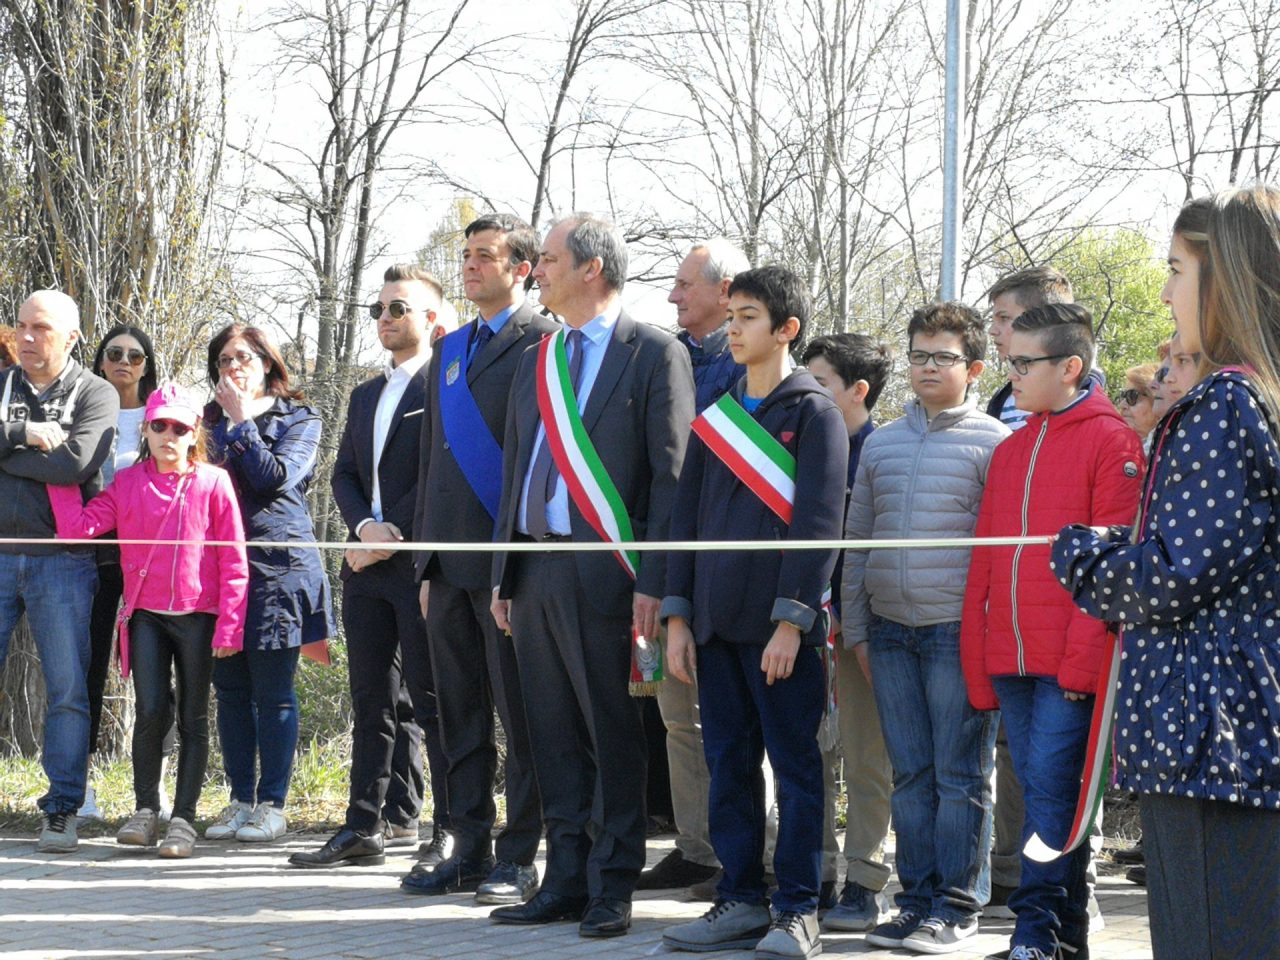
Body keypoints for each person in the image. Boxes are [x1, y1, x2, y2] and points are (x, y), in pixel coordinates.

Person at [1053, 186, 1280, 960]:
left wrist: (1081, 553)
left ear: (1225, 279)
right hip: (1238, 738)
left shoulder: (1223, 404)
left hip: (1213, 743)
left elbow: (1173, 577)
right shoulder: (1259, 399)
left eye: (1176, 270)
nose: (1163, 291)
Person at [488, 213, 695, 937]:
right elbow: (518, 470)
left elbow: (668, 480)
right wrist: (503, 575)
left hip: (611, 573)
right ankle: (564, 876)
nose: (535, 271)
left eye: (545, 259)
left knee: (613, 734)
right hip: (537, 570)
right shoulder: (536, 358)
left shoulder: (654, 354)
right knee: (549, 733)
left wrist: (654, 581)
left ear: (591, 270)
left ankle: (613, 883)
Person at [660, 266, 846, 960]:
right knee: (727, 763)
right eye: (730, 316)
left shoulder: (815, 412)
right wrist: (678, 617)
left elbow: (821, 524)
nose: (731, 329)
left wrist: (792, 622)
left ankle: (798, 910)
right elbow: (685, 526)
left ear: (785, 330)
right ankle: (738, 897)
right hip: (713, 628)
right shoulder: (718, 421)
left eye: (746, 317)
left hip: (779, 634)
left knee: (795, 769)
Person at [961, 304, 1143, 960]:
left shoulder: (1112, 442)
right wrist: (980, 656)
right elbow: (986, 560)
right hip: (1012, 658)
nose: (1011, 374)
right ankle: (1064, 938)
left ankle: (1033, 933)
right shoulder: (1010, 450)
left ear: (1069, 367)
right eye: (1010, 362)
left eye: (1023, 363)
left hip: (1067, 668)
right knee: (1052, 801)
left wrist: (1079, 670)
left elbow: (1111, 571)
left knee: (1047, 799)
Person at [844, 301, 1007, 954]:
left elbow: (1002, 554)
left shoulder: (996, 442)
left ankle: (959, 906)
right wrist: (856, 624)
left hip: (956, 635)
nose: (929, 367)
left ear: (973, 367)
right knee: (909, 774)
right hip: (888, 632)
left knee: (960, 776)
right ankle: (914, 902)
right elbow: (857, 542)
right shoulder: (881, 442)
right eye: (918, 355)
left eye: (943, 357)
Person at [407, 215, 556, 902]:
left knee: (519, 716)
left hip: (507, 565)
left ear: (522, 267)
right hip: (447, 563)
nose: (470, 266)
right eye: (466, 255)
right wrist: (424, 562)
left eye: (486, 256)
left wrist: (512, 564)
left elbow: (535, 466)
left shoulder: (545, 342)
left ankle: (519, 853)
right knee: (458, 713)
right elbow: (430, 461)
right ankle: (465, 842)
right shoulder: (451, 348)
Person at [289, 265, 452, 870]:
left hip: (422, 566)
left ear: (431, 319)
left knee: (431, 701)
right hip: (365, 565)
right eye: (379, 309)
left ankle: (451, 827)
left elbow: (444, 474)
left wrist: (395, 536)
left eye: (399, 309)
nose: (385, 319)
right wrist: (363, 530)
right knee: (372, 701)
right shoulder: (364, 394)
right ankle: (365, 824)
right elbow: (344, 477)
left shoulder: (444, 386)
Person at [47, 384, 249, 858]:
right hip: (146, 615)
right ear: (146, 429)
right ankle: (145, 810)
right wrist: (57, 469)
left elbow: (235, 559)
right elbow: (78, 527)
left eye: (179, 427)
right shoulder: (128, 482)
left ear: (194, 432)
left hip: (199, 616)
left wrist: (230, 624)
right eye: (159, 425)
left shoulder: (214, 483)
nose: (168, 435)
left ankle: (184, 818)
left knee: (193, 716)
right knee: (150, 710)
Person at [639, 237, 749, 895]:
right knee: (678, 713)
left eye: (684, 284)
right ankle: (697, 845)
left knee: (728, 720)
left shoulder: (745, 365)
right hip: (670, 556)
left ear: (725, 289)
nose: (674, 296)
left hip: (725, 564)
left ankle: (743, 855)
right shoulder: (669, 359)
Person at [203, 323, 337, 842]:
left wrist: (241, 422)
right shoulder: (203, 422)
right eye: (222, 361)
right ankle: (239, 798)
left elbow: (274, 477)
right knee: (231, 689)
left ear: (267, 364)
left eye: (242, 357)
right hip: (220, 568)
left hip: (279, 568)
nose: (232, 367)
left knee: (273, 691)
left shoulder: (299, 417)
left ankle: (272, 803)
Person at [0, 290, 118, 852]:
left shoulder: (95, 392)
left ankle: (62, 808)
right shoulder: (1, 383)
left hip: (65, 562)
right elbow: (49, 459)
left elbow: (74, 463)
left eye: (40, 328)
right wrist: (21, 435)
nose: (25, 337)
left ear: (72, 337)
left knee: (68, 689)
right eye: (21, 325)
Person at [802, 333, 895, 933]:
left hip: (860, 627)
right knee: (810, 755)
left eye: (821, 385)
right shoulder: (800, 447)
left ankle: (864, 880)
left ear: (858, 391)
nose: (808, 396)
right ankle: (816, 872)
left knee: (865, 759)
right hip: (802, 625)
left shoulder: (881, 454)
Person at [79, 325, 167, 822]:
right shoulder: (82, 407)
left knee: (158, 676)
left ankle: (154, 792)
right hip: (90, 555)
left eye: (135, 356)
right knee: (86, 668)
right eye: (114, 353)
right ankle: (81, 786)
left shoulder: (162, 416)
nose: (124, 362)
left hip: (150, 559)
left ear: (146, 365)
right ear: (101, 359)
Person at [1116, 363, 1159, 444]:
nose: (1122, 405)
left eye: (1132, 396)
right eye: (1123, 396)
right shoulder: (1112, 444)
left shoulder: (1171, 450)